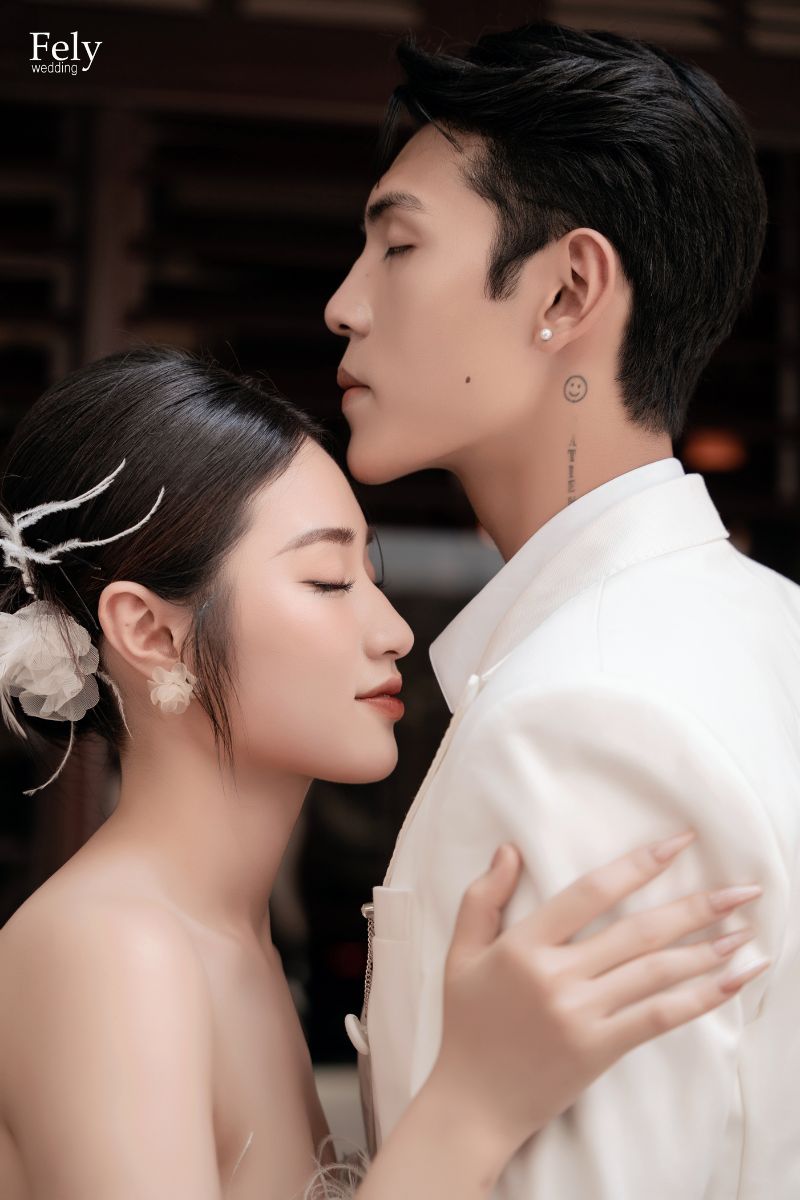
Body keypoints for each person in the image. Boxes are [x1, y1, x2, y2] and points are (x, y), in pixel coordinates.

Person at [0, 348, 765, 1200]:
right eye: (329, 581)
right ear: (148, 632)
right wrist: (471, 1106)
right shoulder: (111, 949)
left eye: (372, 573)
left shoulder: (226, 938)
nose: (394, 629)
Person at [323, 19, 800, 1199]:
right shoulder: (771, 625)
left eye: (396, 246)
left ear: (565, 290)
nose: (342, 305)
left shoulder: (580, 722)